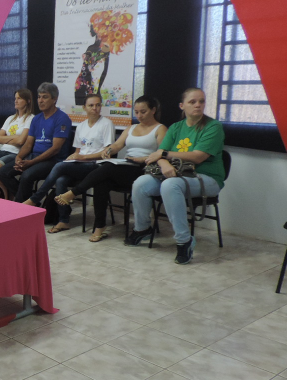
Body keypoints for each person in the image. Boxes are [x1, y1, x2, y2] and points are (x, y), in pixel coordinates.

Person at [125, 88, 225, 264]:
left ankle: (184, 240)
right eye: (192, 102)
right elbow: (160, 154)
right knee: (141, 183)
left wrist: (164, 156)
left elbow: (198, 156)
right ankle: (142, 228)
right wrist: (163, 163)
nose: (198, 105)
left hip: (206, 178)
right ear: (182, 106)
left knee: (170, 185)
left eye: (201, 101)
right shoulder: (176, 127)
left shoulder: (213, 126)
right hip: (177, 174)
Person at [55, 95, 166, 242]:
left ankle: (74, 193)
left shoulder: (160, 129)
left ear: (153, 110)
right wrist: (107, 151)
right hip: (127, 166)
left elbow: (162, 153)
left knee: (107, 169)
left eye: (143, 112)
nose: (139, 115)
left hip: (144, 169)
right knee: (102, 182)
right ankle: (100, 227)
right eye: (137, 112)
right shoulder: (131, 128)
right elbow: (117, 145)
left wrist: (142, 159)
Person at [22, 93, 114, 233]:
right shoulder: (81, 126)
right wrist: (76, 157)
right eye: (91, 105)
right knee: (60, 180)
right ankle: (63, 220)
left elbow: (108, 152)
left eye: (98, 105)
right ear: (84, 107)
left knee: (59, 165)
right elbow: (78, 150)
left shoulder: (107, 123)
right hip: (81, 165)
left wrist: (83, 157)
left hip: (97, 166)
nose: (95, 108)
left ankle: (36, 198)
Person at [0, 83, 72, 202]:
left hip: (53, 160)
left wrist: (31, 162)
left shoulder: (62, 118)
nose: (40, 101)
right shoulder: (36, 119)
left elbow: (55, 149)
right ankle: (27, 204)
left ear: (54, 99)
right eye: (39, 97)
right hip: (34, 157)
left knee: (26, 175)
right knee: (2, 172)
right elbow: (28, 144)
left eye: (45, 97)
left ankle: (21, 207)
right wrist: (19, 157)